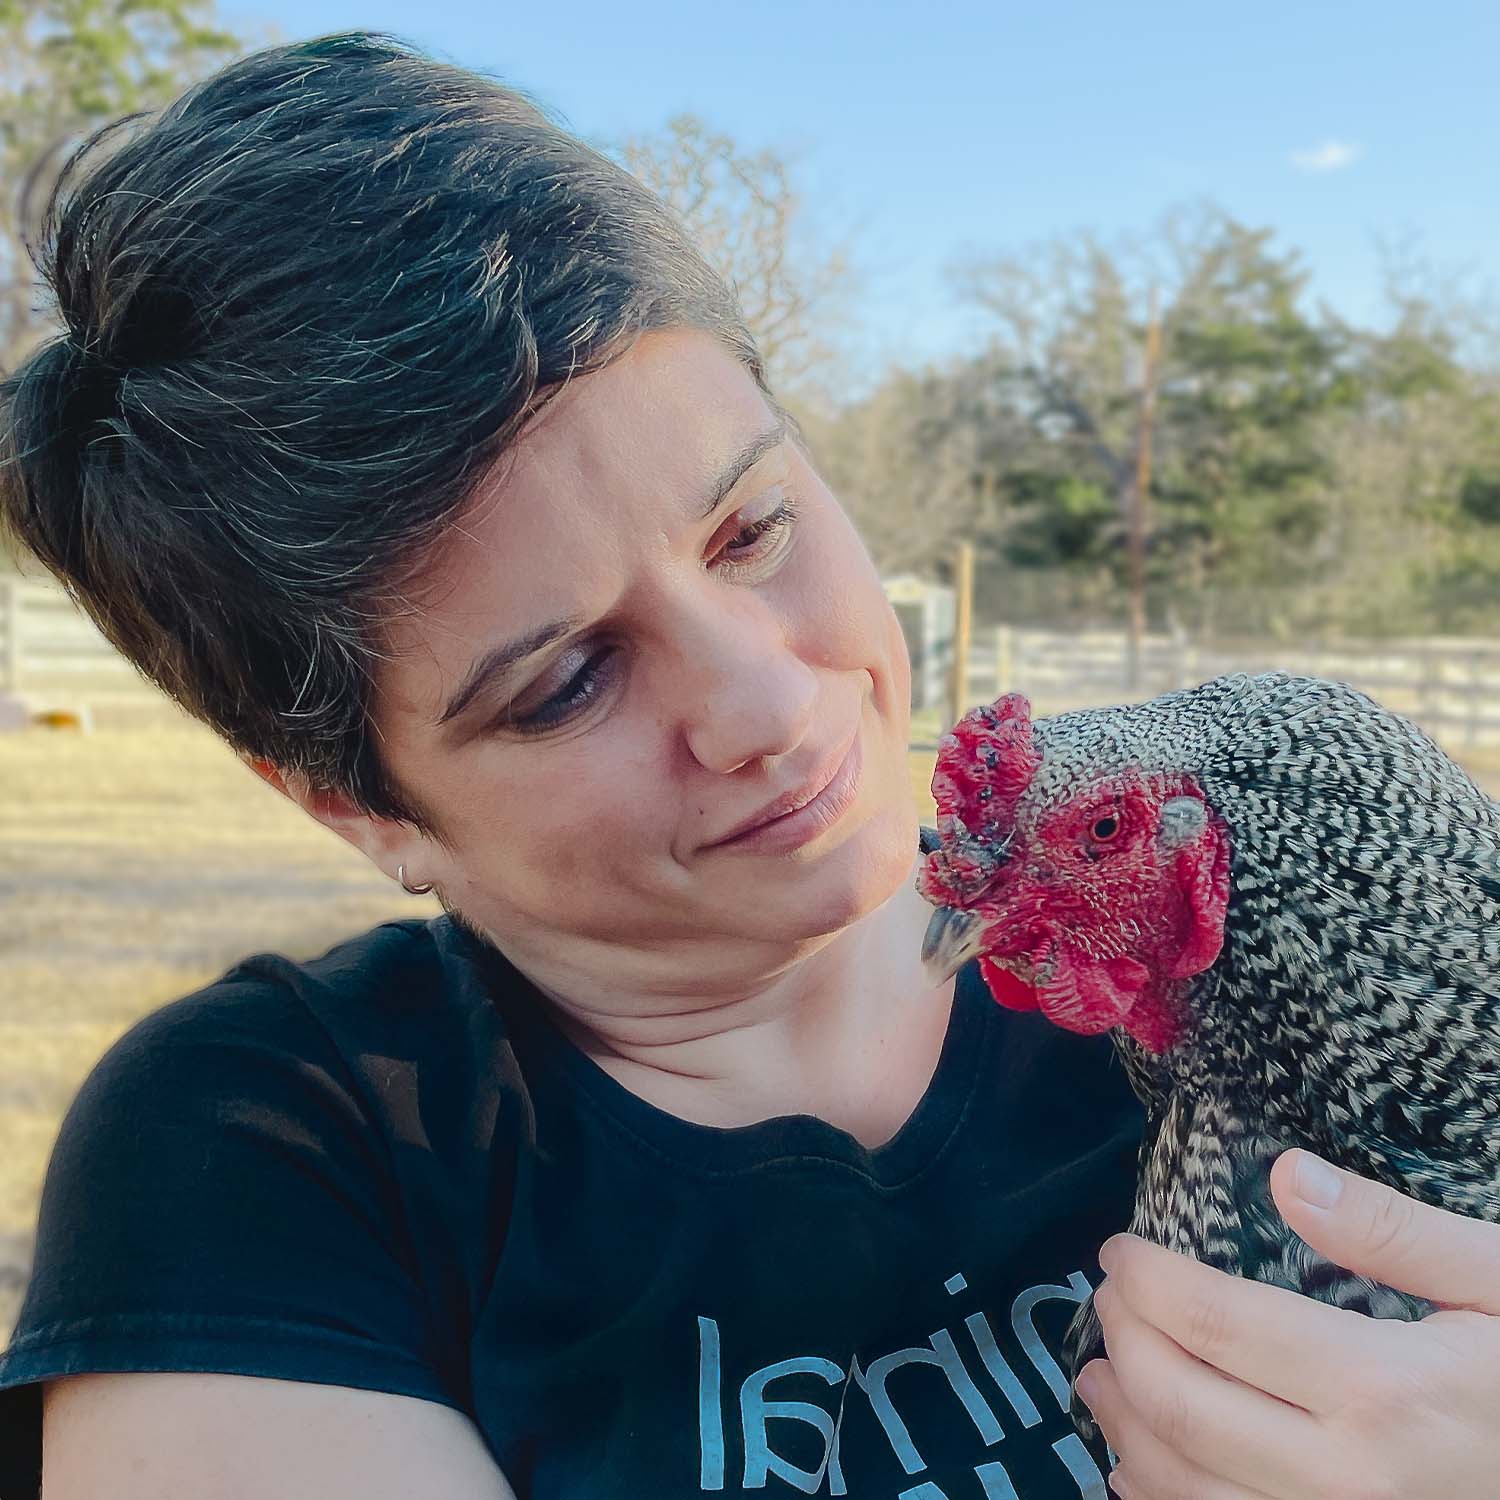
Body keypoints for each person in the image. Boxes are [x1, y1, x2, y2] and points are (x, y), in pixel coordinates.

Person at [2, 31, 1498, 1500]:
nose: (769, 706)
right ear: (357, 803)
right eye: (569, 681)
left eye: (753, 530)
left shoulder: (1282, 936)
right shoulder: (274, 1151)